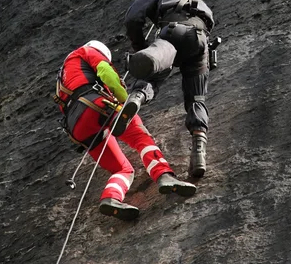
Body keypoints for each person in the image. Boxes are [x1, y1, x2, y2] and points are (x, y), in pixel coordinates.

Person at [55, 40, 196, 221]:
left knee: (122, 169)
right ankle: (164, 175)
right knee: (140, 137)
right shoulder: (86, 51)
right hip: (98, 106)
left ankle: (111, 198)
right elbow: (106, 73)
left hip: (78, 129)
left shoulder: (62, 79)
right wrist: (125, 102)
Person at [123, 0, 215, 178]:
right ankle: (199, 151)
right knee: (196, 99)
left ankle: (136, 98)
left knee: (154, 70)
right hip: (200, 42)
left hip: (173, 31)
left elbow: (133, 17)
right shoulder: (203, 5)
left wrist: (140, 46)